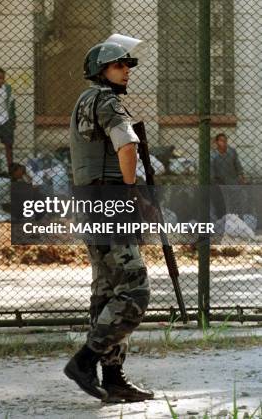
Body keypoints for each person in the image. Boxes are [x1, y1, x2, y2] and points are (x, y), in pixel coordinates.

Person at [64, 37, 154, 403]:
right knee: (134, 291)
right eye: (119, 65)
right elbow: (127, 145)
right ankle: (85, 361)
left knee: (106, 292)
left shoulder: (87, 102)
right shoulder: (105, 100)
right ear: (101, 71)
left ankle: (113, 378)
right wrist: (131, 191)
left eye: (128, 65)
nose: (126, 71)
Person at [211, 133, 246, 215]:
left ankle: (238, 218)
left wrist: (241, 176)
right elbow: (212, 171)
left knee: (236, 202)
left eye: (225, 141)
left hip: (233, 181)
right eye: (221, 141)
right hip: (220, 183)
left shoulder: (232, 151)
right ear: (216, 142)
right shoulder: (213, 155)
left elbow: (237, 164)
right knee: (223, 203)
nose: (224, 143)